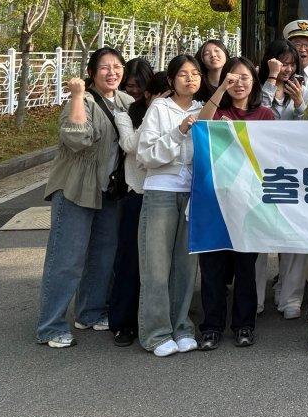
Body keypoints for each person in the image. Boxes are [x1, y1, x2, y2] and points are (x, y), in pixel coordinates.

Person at [35, 47, 133, 349]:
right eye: (104, 67)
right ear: (91, 73)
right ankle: (50, 326)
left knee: (103, 256)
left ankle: (90, 312)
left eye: (117, 66)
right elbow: (76, 138)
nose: (112, 72)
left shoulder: (124, 102)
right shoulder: (84, 101)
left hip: (109, 192)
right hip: (76, 190)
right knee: (66, 260)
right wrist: (77, 95)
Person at [134, 54, 212, 357]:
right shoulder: (159, 108)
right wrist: (178, 131)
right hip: (161, 192)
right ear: (170, 80)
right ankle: (155, 333)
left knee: (185, 265)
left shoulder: (203, 110)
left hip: (192, 195)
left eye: (195, 74)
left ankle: (181, 327)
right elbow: (146, 154)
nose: (190, 79)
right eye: (182, 74)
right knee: (155, 266)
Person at [199, 57, 274, 350]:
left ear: (255, 81)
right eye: (233, 78)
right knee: (213, 267)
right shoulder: (218, 111)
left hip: (249, 202)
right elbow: (201, 123)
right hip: (215, 200)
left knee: (246, 268)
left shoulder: (265, 115)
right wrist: (219, 91)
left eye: (245, 78)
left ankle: (244, 325)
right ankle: (211, 327)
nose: (239, 83)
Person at [257, 39, 308, 318]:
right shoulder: (257, 85)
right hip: (258, 171)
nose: (288, 68)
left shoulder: (301, 88)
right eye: (282, 62)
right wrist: (271, 78)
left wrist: (301, 103)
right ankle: (254, 299)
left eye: (292, 64)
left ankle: (290, 298)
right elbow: (259, 115)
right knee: (256, 238)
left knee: (293, 237)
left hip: (292, 171)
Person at [108, 58, 158, 347]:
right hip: (134, 195)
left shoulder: (167, 111)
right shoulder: (125, 115)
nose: (136, 93)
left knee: (159, 264)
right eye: (131, 88)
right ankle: (122, 322)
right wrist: (153, 115)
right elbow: (131, 146)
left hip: (164, 195)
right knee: (129, 261)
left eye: (141, 87)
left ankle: (154, 318)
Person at [259, 39, 307, 121]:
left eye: (293, 65)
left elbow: (305, 122)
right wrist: (273, 75)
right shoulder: (256, 87)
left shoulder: (299, 89)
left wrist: (299, 104)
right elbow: (261, 114)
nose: (289, 69)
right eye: (284, 64)